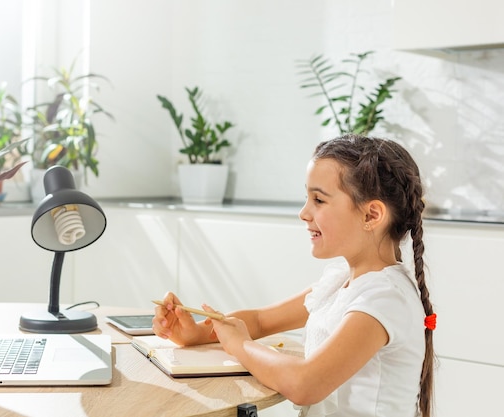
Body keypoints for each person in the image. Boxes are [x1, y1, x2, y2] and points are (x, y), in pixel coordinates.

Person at [153, 134, 436, 417]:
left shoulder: (384, 298)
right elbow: (261, 321)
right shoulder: (341, 282)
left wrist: (240, 345)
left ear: (371, 215)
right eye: (307, 198)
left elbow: (304, 384)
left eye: (319, 200)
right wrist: (197, 333)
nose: (304, 213)